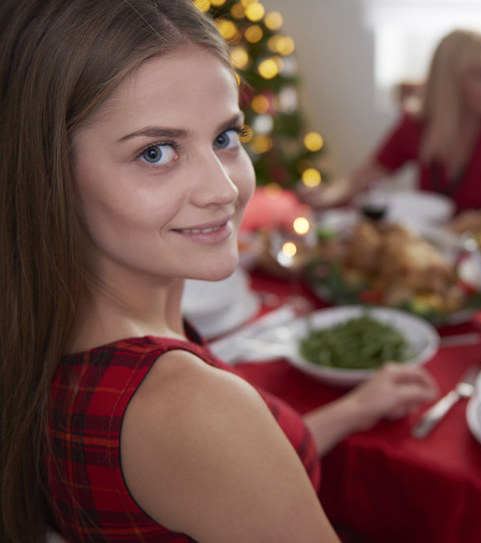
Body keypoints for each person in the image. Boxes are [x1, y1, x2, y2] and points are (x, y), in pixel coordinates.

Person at [0, 2, 438, 542]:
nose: (224, 190)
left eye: (226, 138)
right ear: (49, 178)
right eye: (156, 152)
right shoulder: (192, 409)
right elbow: (219, 449)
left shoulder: (48, 334)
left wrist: (355, 410)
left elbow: (222, 476)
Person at [299, 29, 481, 219]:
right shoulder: (417, 125)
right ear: (451, 82)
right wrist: (325, 195)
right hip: (433, 252)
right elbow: (363, 178)